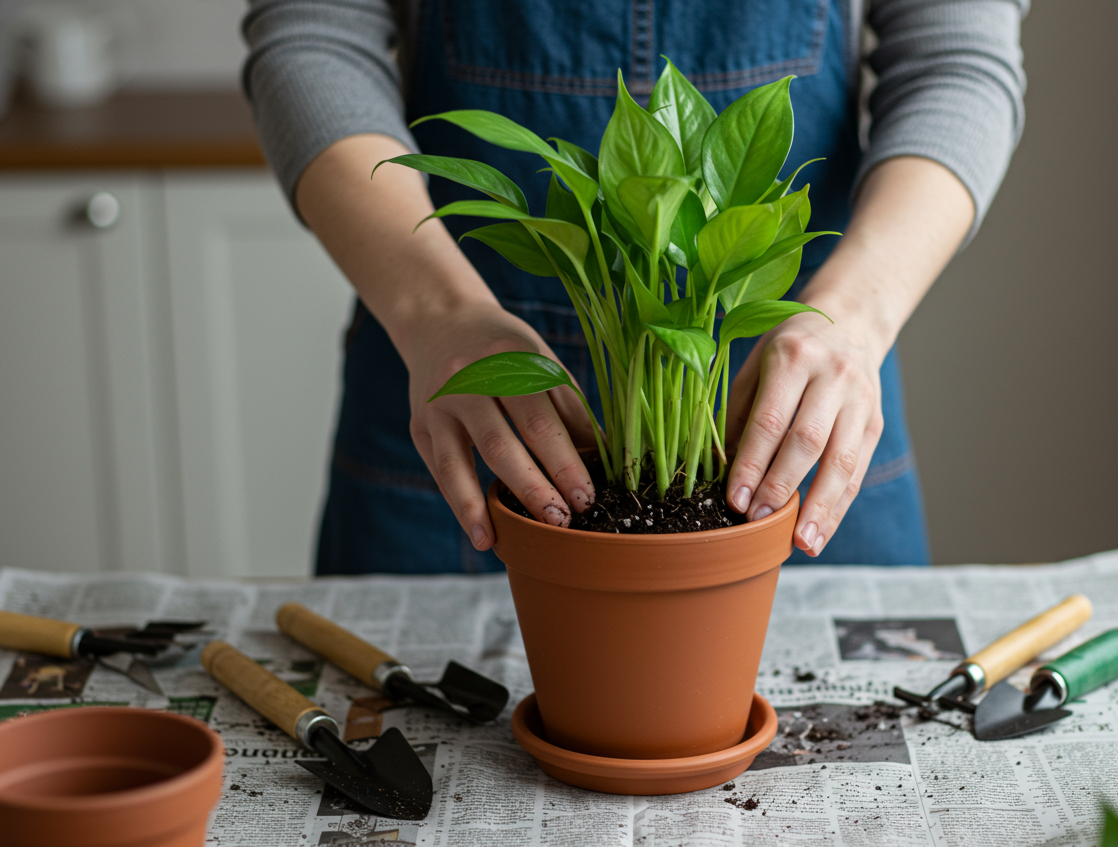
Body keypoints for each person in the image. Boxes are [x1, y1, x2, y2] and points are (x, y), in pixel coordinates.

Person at [241, 0, 1027, 575]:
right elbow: (313, 35)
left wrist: (853, 314)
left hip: (797, 408)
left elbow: (958, 54)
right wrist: (439, 310)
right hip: (451, 396)